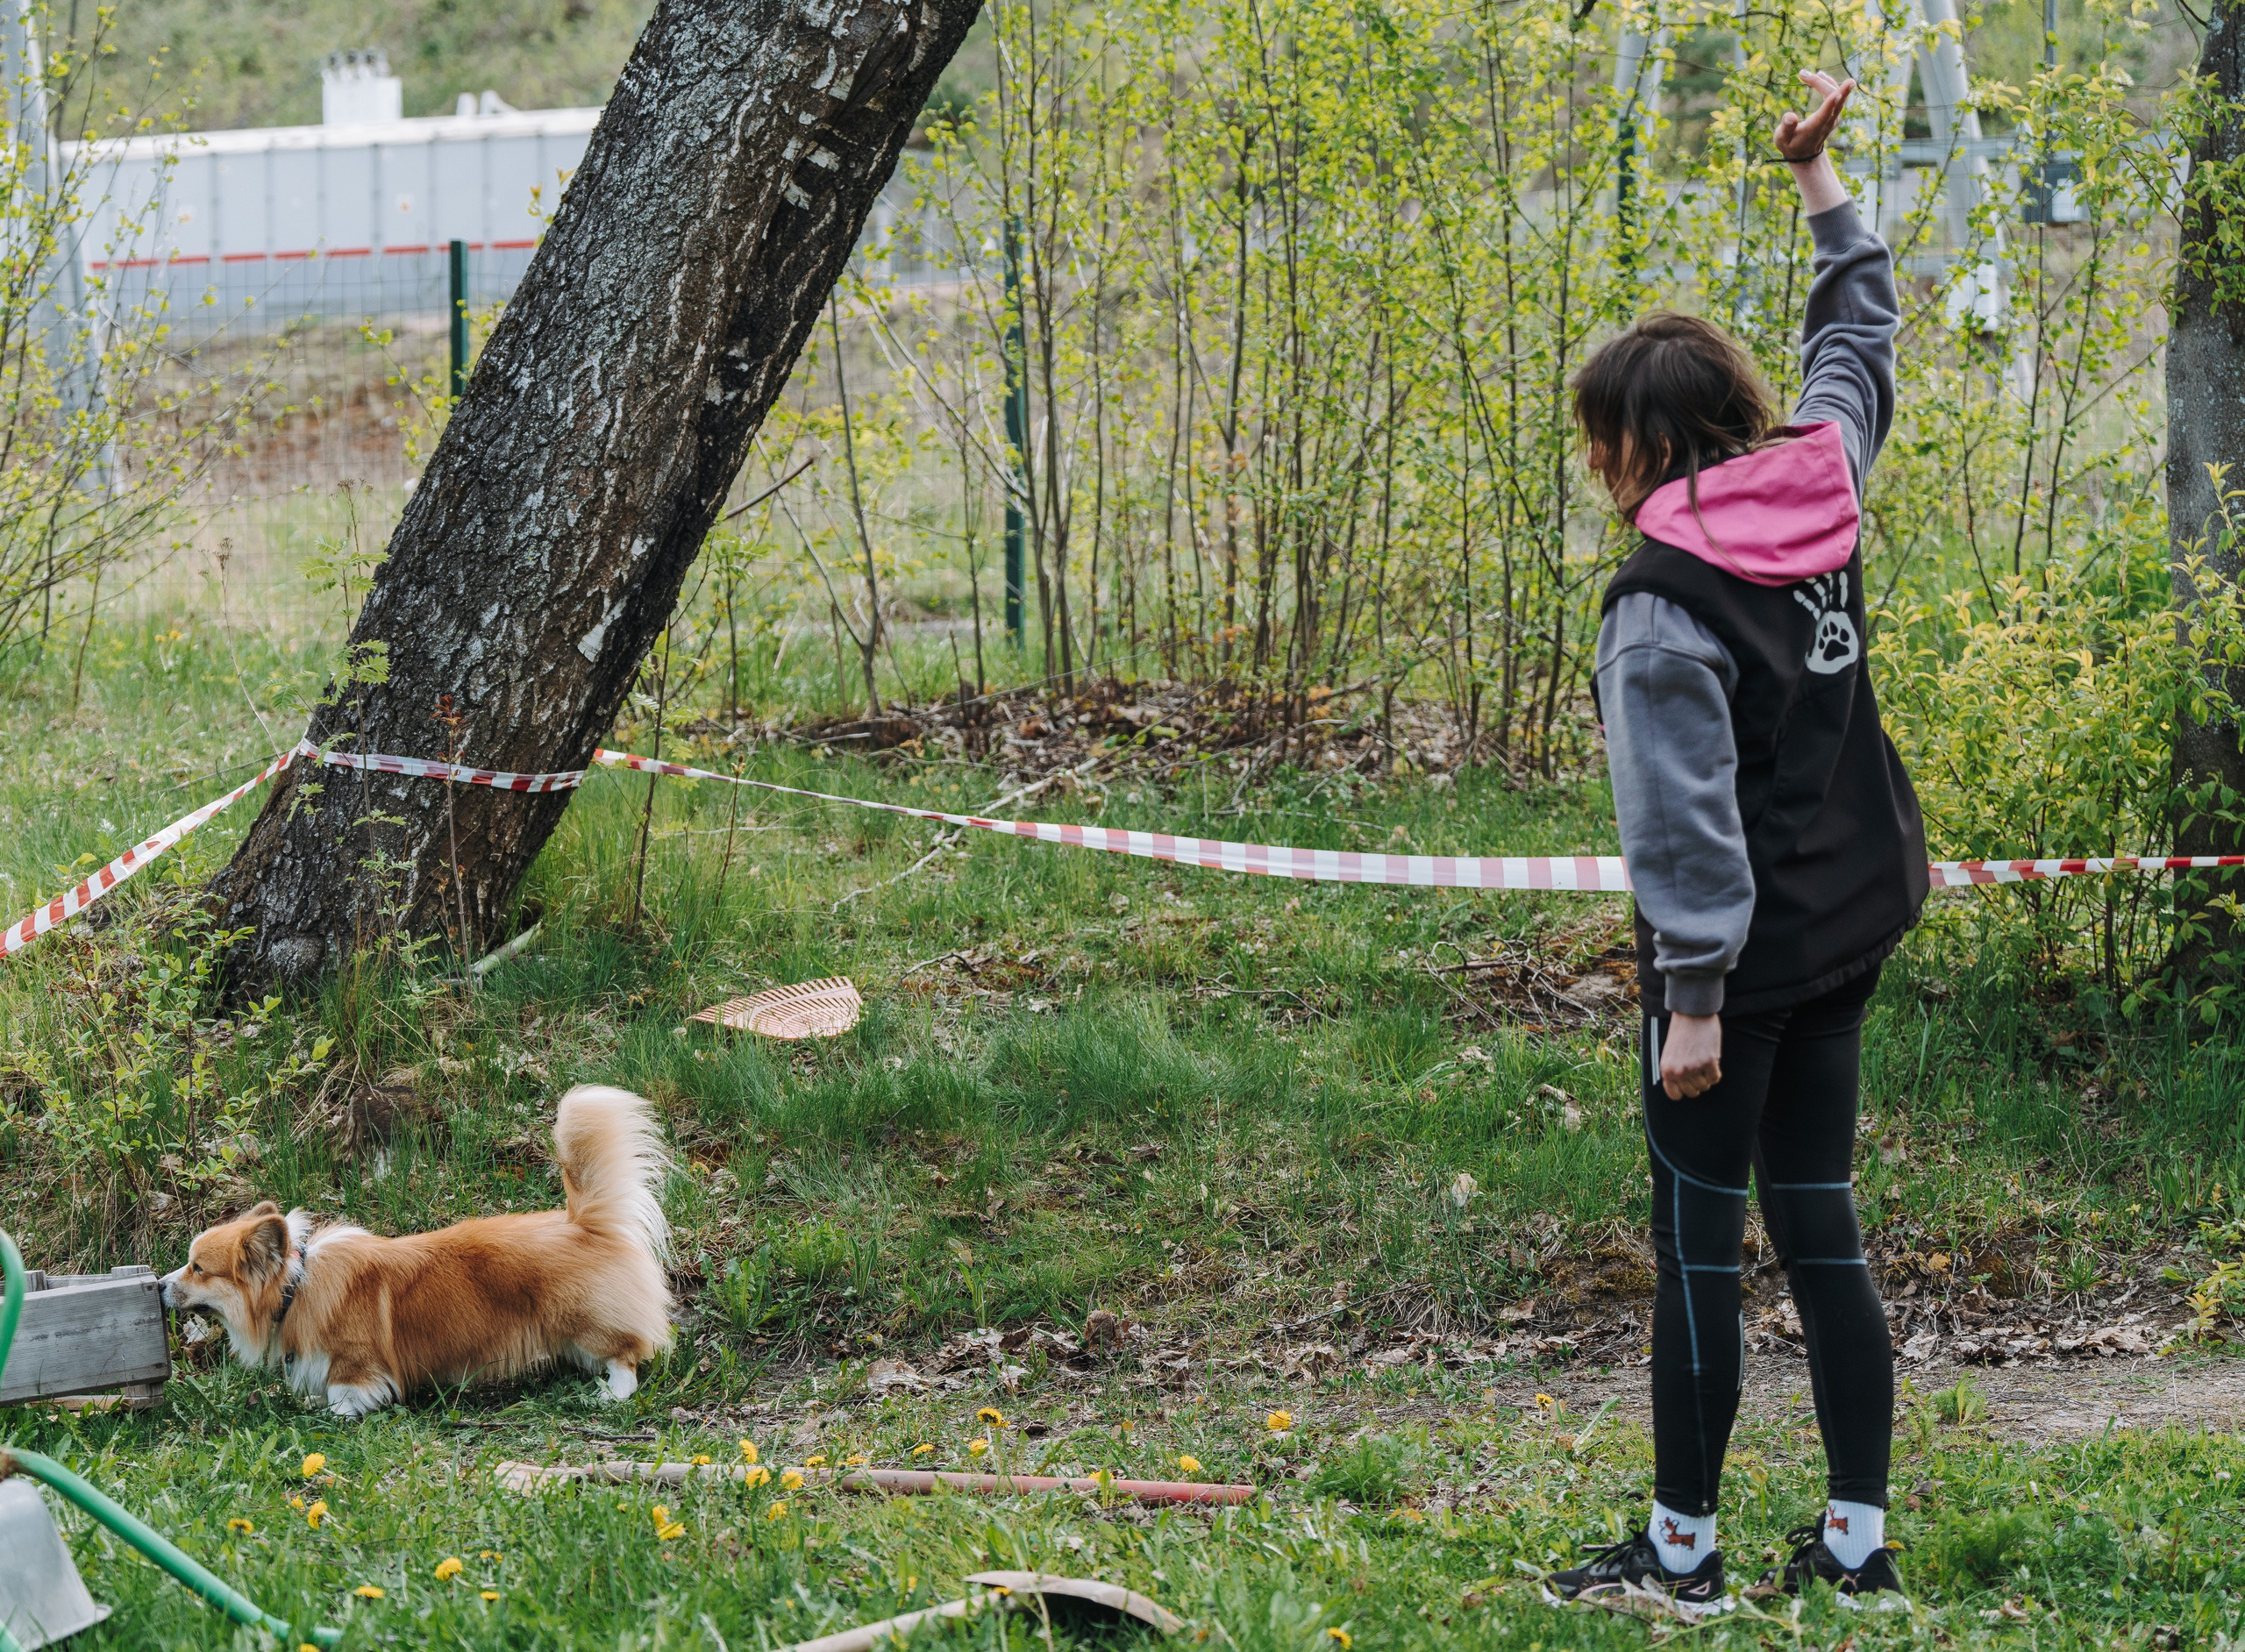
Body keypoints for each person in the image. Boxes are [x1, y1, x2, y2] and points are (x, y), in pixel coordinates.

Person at [1546, 68, 1927, 1608]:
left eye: (1600, 446)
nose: (1598, 472)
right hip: (1849, 924)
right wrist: (1819, 183)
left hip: (1738, 967)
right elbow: (1861, 330)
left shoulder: (1659, 605)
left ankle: (1683, 1563)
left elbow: (1683, 819)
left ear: (1640, 447)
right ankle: (1856, 1548)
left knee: (1702, 1248)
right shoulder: (1823, 475)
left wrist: (1691, 996)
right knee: (1820, 1225)